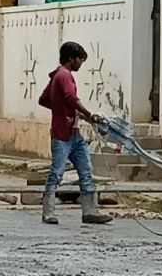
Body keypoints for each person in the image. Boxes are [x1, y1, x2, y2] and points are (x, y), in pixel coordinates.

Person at [38, 42, 113, 225]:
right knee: (57, 173)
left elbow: (44, 100)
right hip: (62, 135)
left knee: (86, 170)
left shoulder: (57, 75)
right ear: (72, 58)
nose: (81, 63)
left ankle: (90, 211)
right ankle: (48, 212)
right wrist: (88, 114)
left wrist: (66, 110)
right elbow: (71, 98)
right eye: (80, 59)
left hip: (74, 134)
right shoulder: (65, 75)